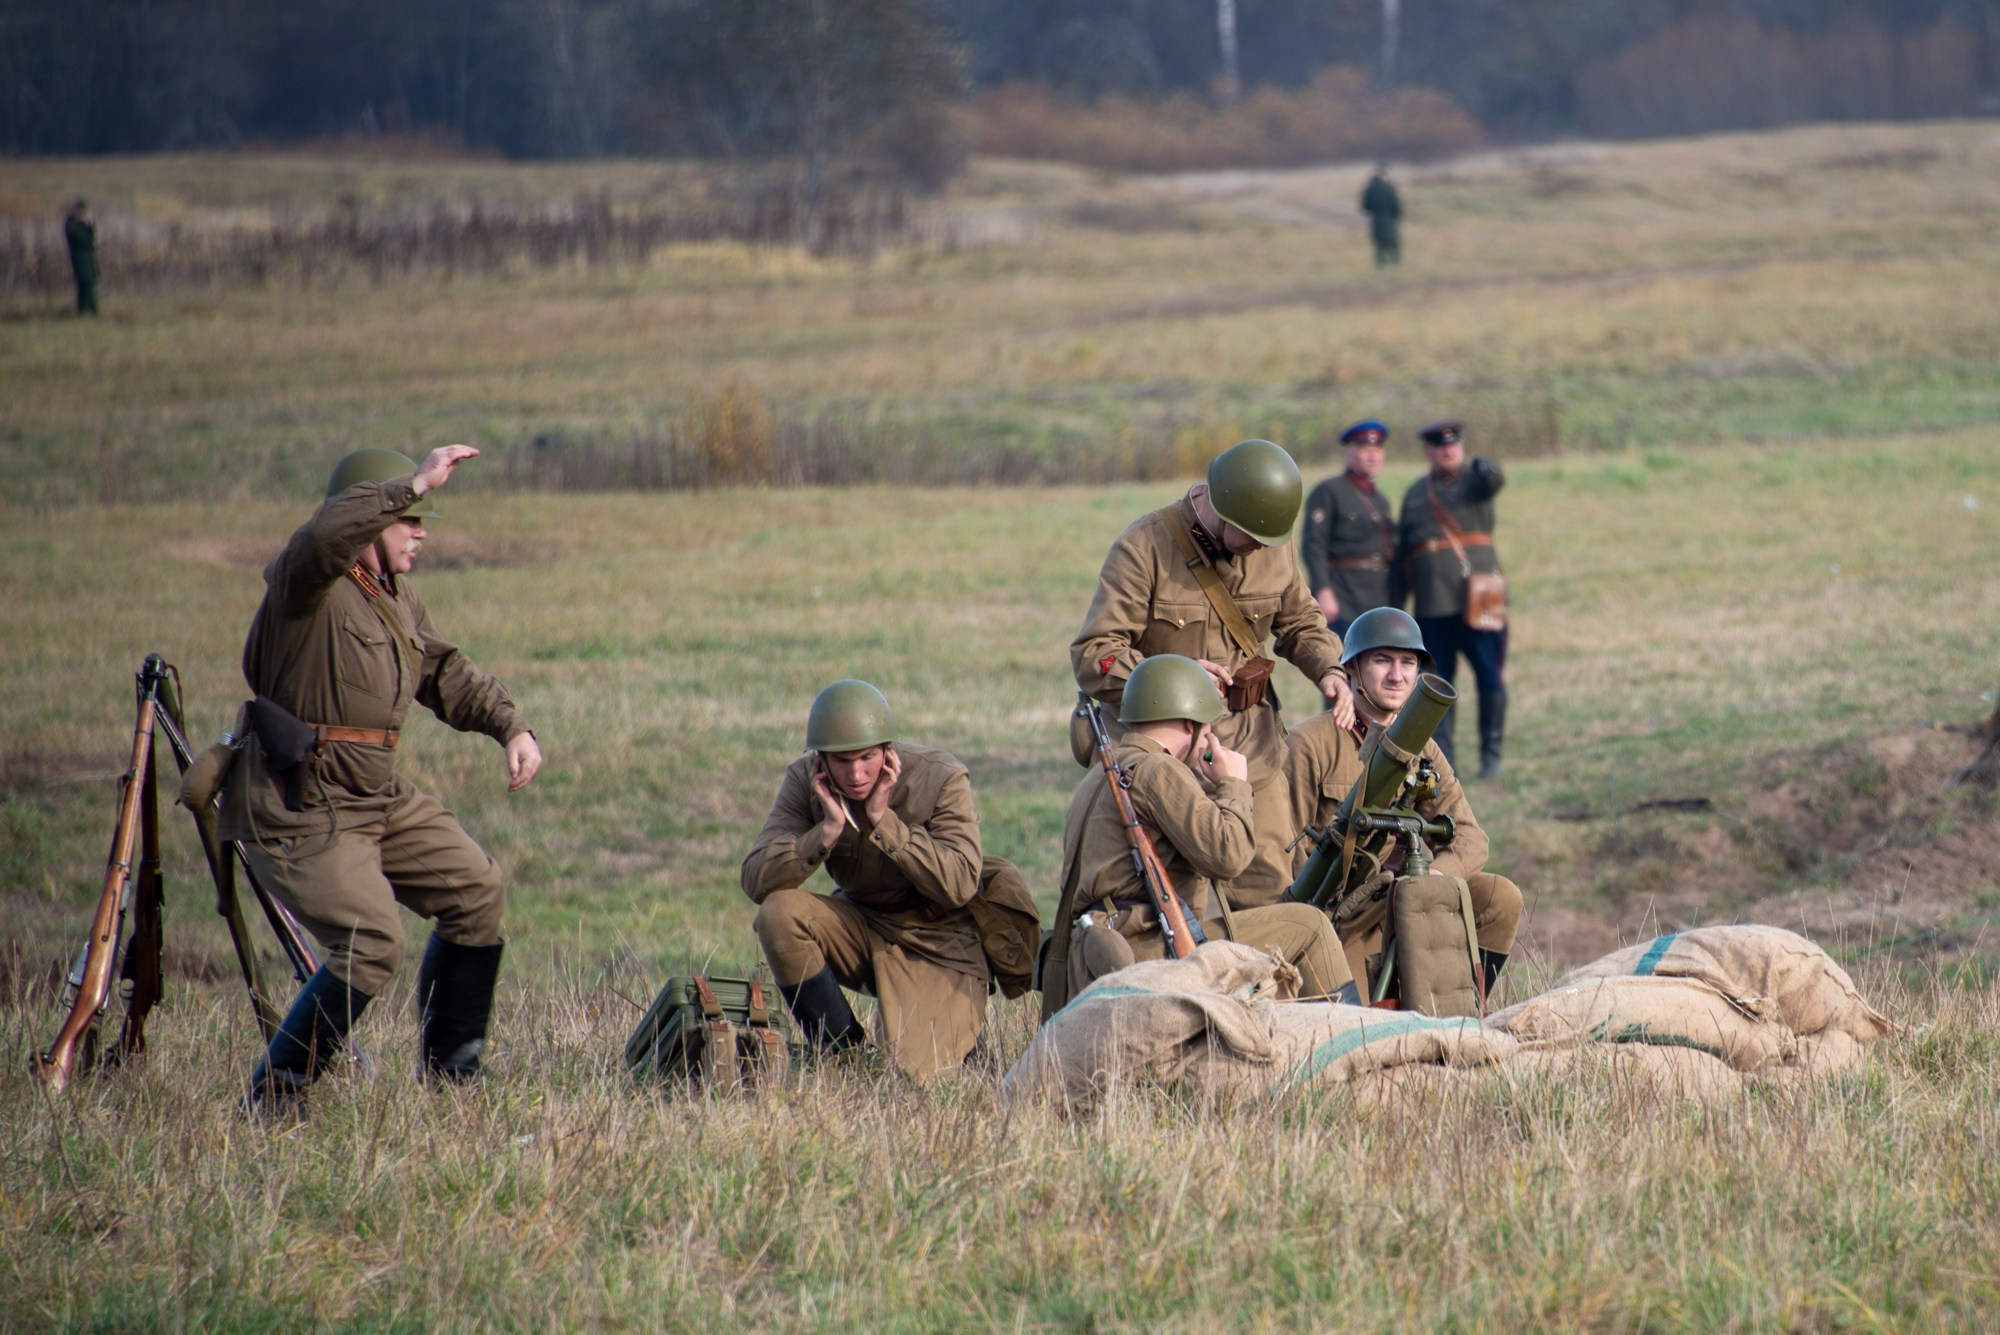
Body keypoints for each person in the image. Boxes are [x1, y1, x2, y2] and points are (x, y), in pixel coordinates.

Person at [221, 445, 542, 1112]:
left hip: (374, 797)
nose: (420, 529)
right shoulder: (304, 587)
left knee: (476, 889)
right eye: (408, 517)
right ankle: (276, 1093)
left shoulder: (392, 597)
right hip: (303, 806)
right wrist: (410, 482)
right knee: (372, 940)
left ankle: (453, 1079)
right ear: (365, 520)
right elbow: (319, 537)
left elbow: (443, 670)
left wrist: (510, 726)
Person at [1072, 439, 1354, 907]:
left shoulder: (1269, 545)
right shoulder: (1144, 547)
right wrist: (1174, 677)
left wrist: (1329, 668)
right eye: (1250, 537)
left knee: (1268, 891)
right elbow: (1094, 653)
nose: (1258, 549)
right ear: (1220, 508)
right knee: (1174, 902)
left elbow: (1300, 620)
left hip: (1249, 748)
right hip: (1167, 759)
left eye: (1268, 541)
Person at [742, 679, 1036, 1078]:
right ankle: (843, 1055)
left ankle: (967, 1049)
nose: (856, 773)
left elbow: (960, 883)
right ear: (820, 760)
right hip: (860, 923)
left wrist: (885, 822)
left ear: (888, 750)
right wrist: (825, 832)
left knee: (918, 1079)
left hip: (938, 938)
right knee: (779, 915)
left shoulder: (941, 777)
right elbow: (756, 880)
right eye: (841, 761)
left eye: (866, 758)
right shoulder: (804, 782)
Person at [1056, 653, 1358, 1002]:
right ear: (1189, 723)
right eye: (1207, 726)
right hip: (1152, 949)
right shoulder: (1158, 770)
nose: (1209, 737)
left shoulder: (1099, 776)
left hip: (1115, 946)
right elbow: (1228, 856)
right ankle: (1350, 1040)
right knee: (1310, 925)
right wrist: (1233, 784)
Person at [1283, 607, 1521, 995]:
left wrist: (1436, 880)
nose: (1397, 675)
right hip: (1338, 916)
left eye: (1407, 663)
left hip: (1402, 898)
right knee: (1356, 1021)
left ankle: (1466, 1008)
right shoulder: (1309, 743)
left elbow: (1470, 837)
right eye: (1382, 661)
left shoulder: (1423, 747)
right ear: (1354, 669)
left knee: (1499, 898)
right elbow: (1284, 847)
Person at [1394, 419, 1508, 777]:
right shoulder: (1415, 492)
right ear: (1428, 450)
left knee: (1489, 677)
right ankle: (1446, 762)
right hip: (1432, 605)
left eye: (1454, 444)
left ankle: (1491, 754)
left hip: (1478, 600)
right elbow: (1404, 550)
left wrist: (1489, 468)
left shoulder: (1475, 482)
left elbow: (1493, 481)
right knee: (1438, 687)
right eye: (1440, 445)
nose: (1448, 450)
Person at [1301, 419, 1398, 641]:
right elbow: (1314, 545)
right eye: (1365, 449)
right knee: (1345, 666)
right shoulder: (1329, 491)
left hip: (1378, 596)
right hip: (1344, 595)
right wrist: (1323, 590)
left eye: (1377, 449)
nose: (1373, 456)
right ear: (1350, 452)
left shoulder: (1381, 501)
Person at [1360, 164, 1401, 268]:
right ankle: (1396, 264)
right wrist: (1397, 215)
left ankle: (1380, 265)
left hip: (1376, 220)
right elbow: (1396, 205)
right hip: (1390, 220)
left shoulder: (1370, 189)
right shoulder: (1389, 188)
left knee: (1379, 245)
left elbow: (1365, 207)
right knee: (1393, 243)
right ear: (1384, 176)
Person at [63, 198, 98, 315]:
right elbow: (83, 241)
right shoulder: (71, 224)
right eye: (82, 211)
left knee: (88, 283)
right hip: (79, 258)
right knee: (86, 283)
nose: (84, 214)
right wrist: (84, 224)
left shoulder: (83, 224)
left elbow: (92, 239)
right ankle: (93, 310)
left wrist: (90, 226)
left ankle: (82, 311)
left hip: (88, 259)